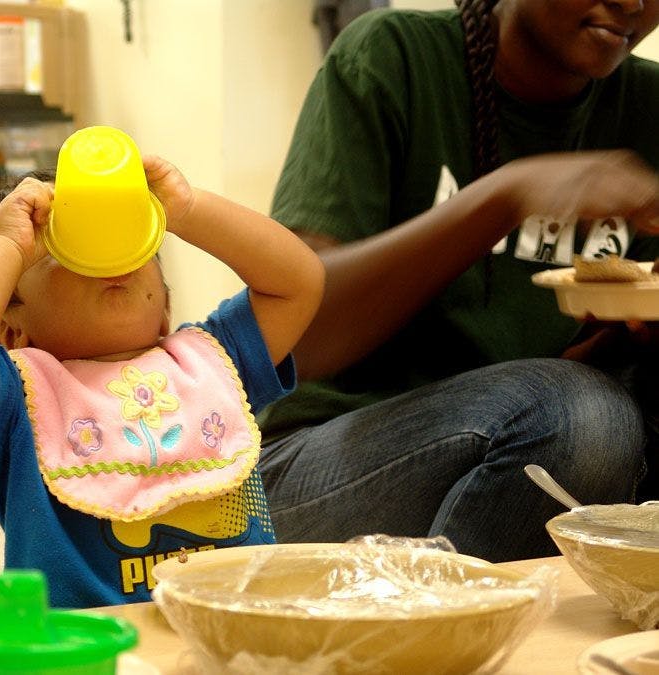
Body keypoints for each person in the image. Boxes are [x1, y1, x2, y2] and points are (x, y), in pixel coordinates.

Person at [257, 0, 659, 563]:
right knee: (581, 416)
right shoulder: (393, 56)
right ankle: (442, 640)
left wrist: (634, 336)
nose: (634, 4)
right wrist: (504, 196)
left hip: (525, 442)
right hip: (317, 463)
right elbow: (301, 339)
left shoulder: (646, 106)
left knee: (596, 412)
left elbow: (587, 361)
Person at [0, 155, 324, 608]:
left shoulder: (213, 361)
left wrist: (186, 210)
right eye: (64, 248)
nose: (106, 258)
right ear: (9, 331)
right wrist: (9, 244)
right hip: (91, 651)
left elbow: (299, 280)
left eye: (131, 246)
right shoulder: (16, 399)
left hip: (234, 636)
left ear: (165, 305)